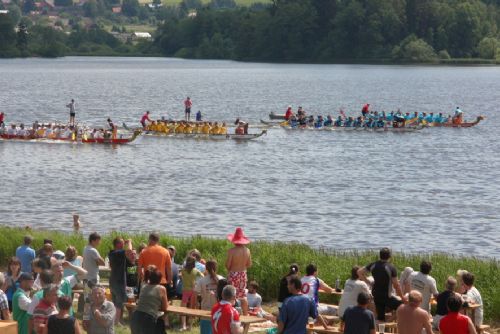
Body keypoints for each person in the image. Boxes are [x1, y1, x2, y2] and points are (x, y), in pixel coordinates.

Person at [358, 247, 405, 321]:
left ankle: (382, 325)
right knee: (402, 307)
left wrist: (368, 282)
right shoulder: (391, 267)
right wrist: (402, 297)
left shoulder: (373, 265)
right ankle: (387, 322)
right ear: (389, 256)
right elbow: (396, 285)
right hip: (387, 296)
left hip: (376, 294)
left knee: (380, 317)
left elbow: (359, 272)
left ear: (380, 255)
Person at [131, 266, 168, 334]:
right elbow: (165, 308)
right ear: (160, 279)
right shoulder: (162, 289)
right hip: (148, 318)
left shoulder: (144, 286)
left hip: (135, 316)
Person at [225, 227, 252, 316]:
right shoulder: (247, 250)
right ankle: (246, 314)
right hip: (243, 274)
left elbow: (228, 265)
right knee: (243, 296)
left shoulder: (232, 251)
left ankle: (231, 314)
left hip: (234, 274)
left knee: (231, 295)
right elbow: (249, 264)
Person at [108, 237, 134, 325]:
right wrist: (130, 242)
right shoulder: (118, 253)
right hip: (119, 281)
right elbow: (129, 251)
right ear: (118, 244)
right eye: (122, 243)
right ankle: (116, 322)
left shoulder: (111, 253)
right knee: (119, 303)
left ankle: (115, 320)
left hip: (113, 280)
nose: (124, 245)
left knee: (115, 302)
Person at [199, 260, 224, 334]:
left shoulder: (201, 280)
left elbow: (194, 294)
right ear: (216, 268)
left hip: (205, 311)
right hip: (219, 311)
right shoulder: (222, 279)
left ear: (206, 269)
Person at [180, 256, 204, 330]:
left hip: (185, 290)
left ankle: (183, 325)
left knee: (183, 308)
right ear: (194, 263)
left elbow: (180, 275)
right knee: (192, 308)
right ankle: (190, 326)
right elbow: (203, 276)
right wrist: (197, 282)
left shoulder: (183, 270)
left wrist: (182, 279)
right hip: (193, 290)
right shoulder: (195, 270)